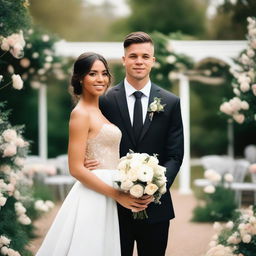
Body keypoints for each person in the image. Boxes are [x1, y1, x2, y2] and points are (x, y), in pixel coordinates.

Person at [36, 52, 151, 256]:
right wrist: (117, 194)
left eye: (104, 73)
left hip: (109, 191)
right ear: (80, 78)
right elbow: (76, 168)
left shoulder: (100, 109)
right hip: (95, 194)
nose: (100, 79)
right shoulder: (80, 114)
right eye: (92, 73)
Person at [86, 32, 184, 256]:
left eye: (144, 56)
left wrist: (156, 188)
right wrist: (86, 157)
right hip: (114, 205)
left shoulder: (170, 102)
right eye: (133, 56)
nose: (139, 61)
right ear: (124, 60)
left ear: (152, 61)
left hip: (156, 206)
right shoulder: (105, 100)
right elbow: (89, 135)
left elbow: (175, 155)